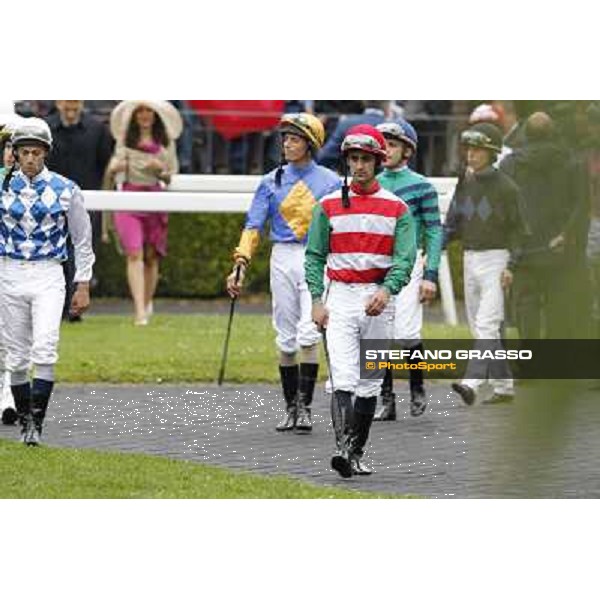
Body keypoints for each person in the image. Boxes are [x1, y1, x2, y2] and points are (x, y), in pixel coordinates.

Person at [305, 124, 416, 478]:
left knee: (369, 381)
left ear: (378, 161)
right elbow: (314, 256)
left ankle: (355, 453)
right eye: (353, 158)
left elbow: (404, 258)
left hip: (379, 297)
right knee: (344, 377)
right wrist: (316, 300)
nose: (359, 166)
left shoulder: (397, 209)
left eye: (366, 159)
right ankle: (343, 450)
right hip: (339, 297)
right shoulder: (327, 205)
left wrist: (387, 290)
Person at [226, 113, 340, 433]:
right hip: (282, 258)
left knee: (308, 333)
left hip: (316, 258)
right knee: (286, 339)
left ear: (311, 143)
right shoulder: (269, 182)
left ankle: (304, 408)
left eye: (294, 138)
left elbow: (340, 224)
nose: (287, 144)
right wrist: (241, 263)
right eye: (285, 138)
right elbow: (253, 226)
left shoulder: (331, 182)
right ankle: (290, 407)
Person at [0, 118, 94, 445]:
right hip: (9, 271)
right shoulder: (1, 187)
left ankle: (36, 424)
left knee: (45, 346)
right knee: (16, 355)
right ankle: (25, 419)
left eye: (36, 152)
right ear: (14, 154)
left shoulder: (66, 189)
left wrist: (82, 284)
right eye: (24, 152)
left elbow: (82, 240)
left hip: (49, 273)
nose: (29, 158)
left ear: (45, 153)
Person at [444, 122, 526, 405]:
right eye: (469, 148)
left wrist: (511, 266)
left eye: (478, 149)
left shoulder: (507, 188)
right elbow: (453, 222)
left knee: (488, 325)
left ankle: (472, 384)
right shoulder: (465, 181)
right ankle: (504, 386)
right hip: (469, 258)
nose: (471, 154)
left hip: (497, 260)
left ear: (491, 152)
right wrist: (434, 247)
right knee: (479, 328)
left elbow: (519, 230)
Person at [373, 119, 443, 420]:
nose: (386, 150)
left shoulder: (421, 185)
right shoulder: (370, 184)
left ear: (407, 151)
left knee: (404, 332)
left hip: (410, 261)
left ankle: (417, 387)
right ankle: (385, 399)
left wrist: (430, 275)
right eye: (383, 143)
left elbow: (434, 231)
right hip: (376, 262)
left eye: (393, 144)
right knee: (378, 333)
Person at [499, 112, 579, 339]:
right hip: (559, 247)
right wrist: (567, 233)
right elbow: (579, 204)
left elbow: (502, 206)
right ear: (552, 131)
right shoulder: (570, 162)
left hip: (523, 249)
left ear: (525, 133)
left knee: (526, 306)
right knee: (558, 306)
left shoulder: (510, 164)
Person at [106, 101, 182, 325]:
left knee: (151, 256)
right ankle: (139, 311)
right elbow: (113, 167)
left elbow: (170, 174)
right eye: (140, 111)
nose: (144, 115)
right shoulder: (123, 140)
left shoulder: (165, 141)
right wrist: (115, 168)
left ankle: (147, 303)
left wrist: (160, 170)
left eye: (148, 110)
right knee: (134, 253)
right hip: (129, 199)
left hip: (155, 199)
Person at [46, 100, 114, 321]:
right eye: (66, 100)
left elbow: (105, 162)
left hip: (86, 204)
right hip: (51, 205)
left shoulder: (97, 129)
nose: (71, 106)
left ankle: (75, 308)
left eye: (75, 101)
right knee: (55, 256)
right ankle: (57, 307)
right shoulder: (45, 128)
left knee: (81, 254)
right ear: (58, 102)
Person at [317, 101, 390, 169]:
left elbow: (325, 157)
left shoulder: (346, 123)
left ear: (363, 102)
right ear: (387, 104)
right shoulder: (395, 125)